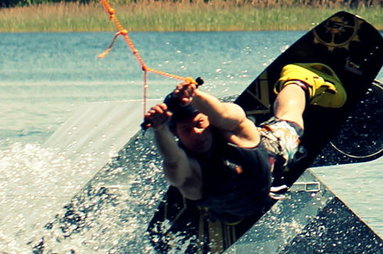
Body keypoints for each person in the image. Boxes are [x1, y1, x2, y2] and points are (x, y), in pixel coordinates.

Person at [141, 63, 347, 222]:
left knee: (290, 121)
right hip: (227, 203)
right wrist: (159, 128)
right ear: (176, 134)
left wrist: (193, 95)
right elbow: (172, 159)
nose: (197, 133)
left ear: (207, 120)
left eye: (200, 123)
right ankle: (225, 211)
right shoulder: (188, 170)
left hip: (270, 156)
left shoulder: (230, 131)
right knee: (190, 183)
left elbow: (221, 113)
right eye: (186, 130)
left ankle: (299, 81)